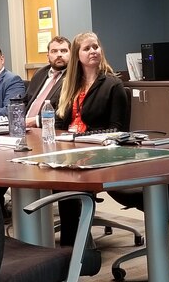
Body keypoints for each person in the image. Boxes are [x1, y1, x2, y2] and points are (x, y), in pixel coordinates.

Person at [55, 32, 129, 248]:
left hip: (96, 151)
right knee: (53, 175)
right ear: (78, 56)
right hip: (69, 147)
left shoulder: (112, 85)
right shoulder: (70, 85)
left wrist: (83, 140)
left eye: (95, 47)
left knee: (64, 181)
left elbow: (116, 130)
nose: (93, 51)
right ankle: (70, 245)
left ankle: (74, 248)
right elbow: (60, 121)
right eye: (87, 48)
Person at [24, 36, 70, 128]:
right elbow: (26, 101)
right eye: (54, 51)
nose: (59, 54)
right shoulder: (40, 73)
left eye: (64, 51)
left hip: (46, 129)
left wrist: (34, 121)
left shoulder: (73, 77)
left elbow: (64, 114)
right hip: (24, 127)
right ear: (48, 56)